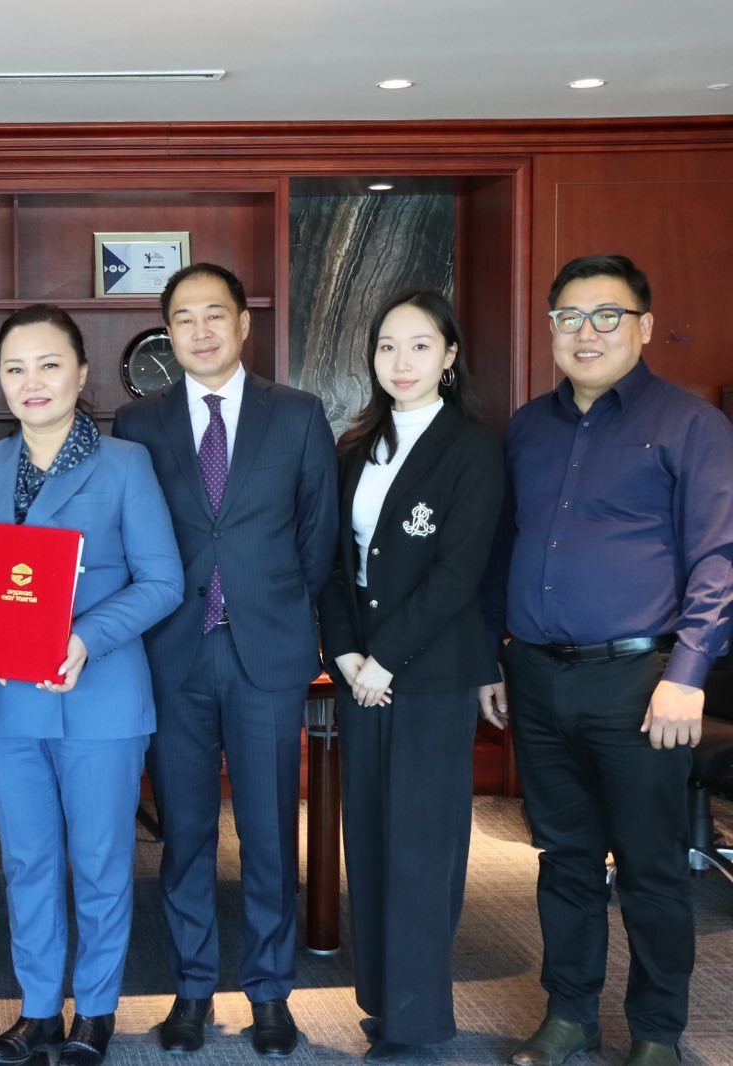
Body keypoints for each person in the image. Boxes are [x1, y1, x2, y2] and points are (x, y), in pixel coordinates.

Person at [482, 255, 733, 1066]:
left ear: (643, 326)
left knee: (652, 868)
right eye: (568, 316)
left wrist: (686, 677)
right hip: (536, 674)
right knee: (564, 859)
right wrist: (493, 657)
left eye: (606, 315)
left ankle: (657, 1032)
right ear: (551, 326)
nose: (585, 332)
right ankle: (569, 1015)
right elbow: (504, 547)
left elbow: (721, 558)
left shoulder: (692, 425)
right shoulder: (528, 426)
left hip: (642, 682)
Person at [111, 262, 338, 1059]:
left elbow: (317, 537)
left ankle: (270, 993)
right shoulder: (138, 423)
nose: (200, 330)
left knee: (271, 833)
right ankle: (192, 989)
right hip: (173, 652)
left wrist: (267, 605)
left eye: (215, 314)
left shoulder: (298, 414)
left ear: (244, 323)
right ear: (167, 334)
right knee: (185, 835)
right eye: (183, 318)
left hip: (266, 652)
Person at [0, 305, 183, 1066]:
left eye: (49, 364)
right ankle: (40, 1011)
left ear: (81, 373)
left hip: (100, 696)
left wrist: (85, 637)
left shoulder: (124, 464)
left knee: (102, 860)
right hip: (7, 700)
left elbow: (163, 581)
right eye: (15, 367)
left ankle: (97, 1012)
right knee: (28, 861)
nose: (32, 381)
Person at [316, 290, 503, 1062]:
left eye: (420, 345)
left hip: (429, 676)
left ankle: (417, 1024)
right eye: (387, 345)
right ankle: (382, 1003)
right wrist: (345, 654)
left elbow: (458, 573)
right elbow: (331, 563)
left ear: (450, 357)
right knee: (369, 838)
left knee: (423, 849)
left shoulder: (473, 449)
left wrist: (386, 658)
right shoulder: (355, 446)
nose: (401, 361)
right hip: (362, 672)